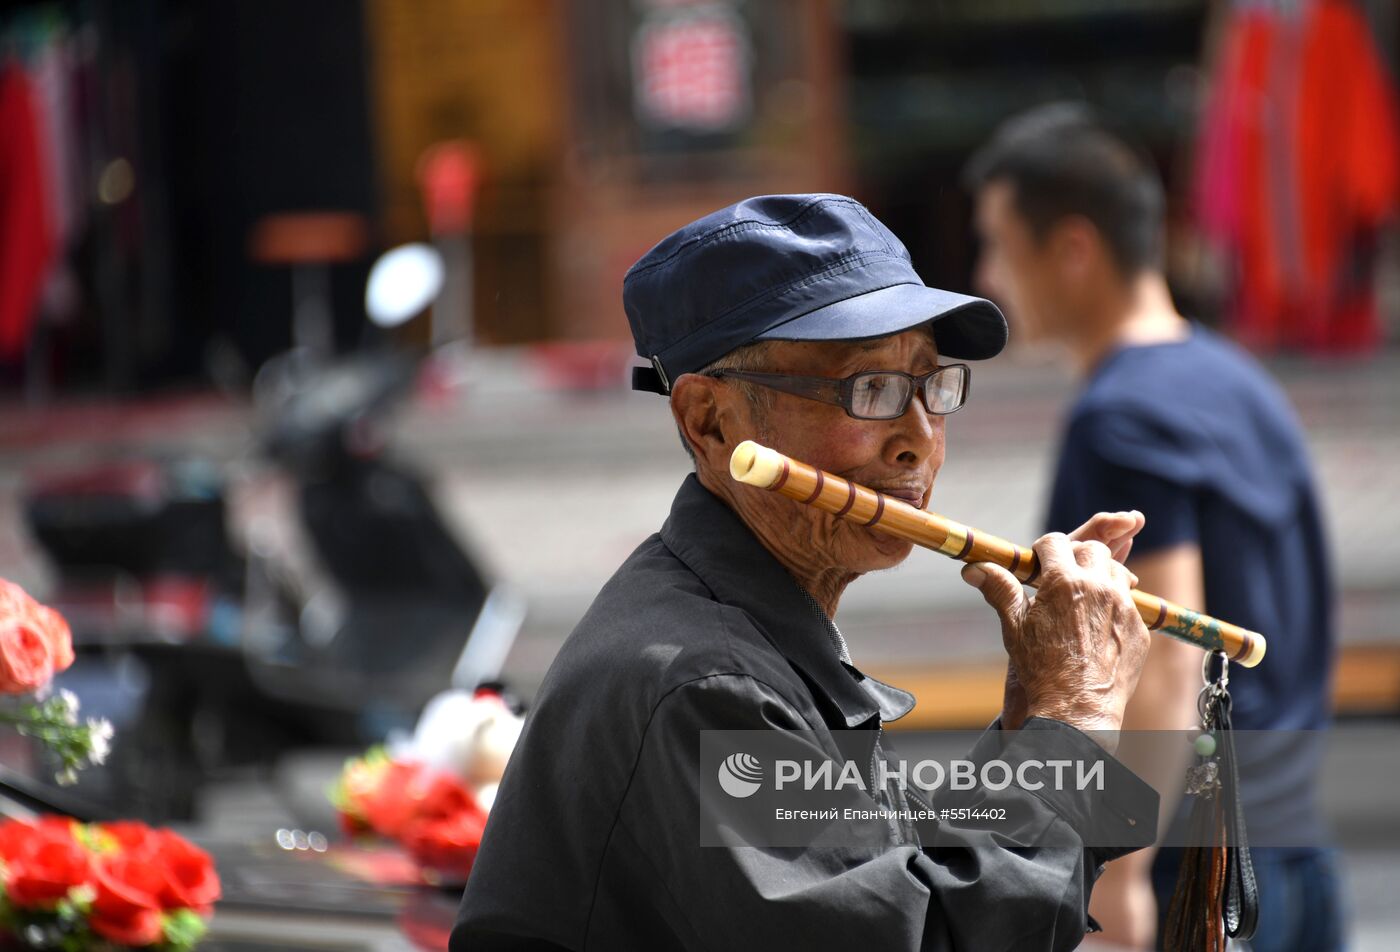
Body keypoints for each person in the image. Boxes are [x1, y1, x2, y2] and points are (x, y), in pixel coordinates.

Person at [451, 193, 1162, 951]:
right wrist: (1075, 716)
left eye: (933, 384)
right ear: (710, 421)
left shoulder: (750, 632)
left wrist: (1030, 719)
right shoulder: (704, 687)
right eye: (870, 388)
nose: (918, 440)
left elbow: (898, 880)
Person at [965, 105, 1343, 951]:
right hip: (1295, 850)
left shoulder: (1121, 416)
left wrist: (1119, 872)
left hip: (1199, 876)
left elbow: (1168, 646)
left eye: (999, 243)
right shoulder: (1234, 377)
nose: (989, 273)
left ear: (1072, 249)